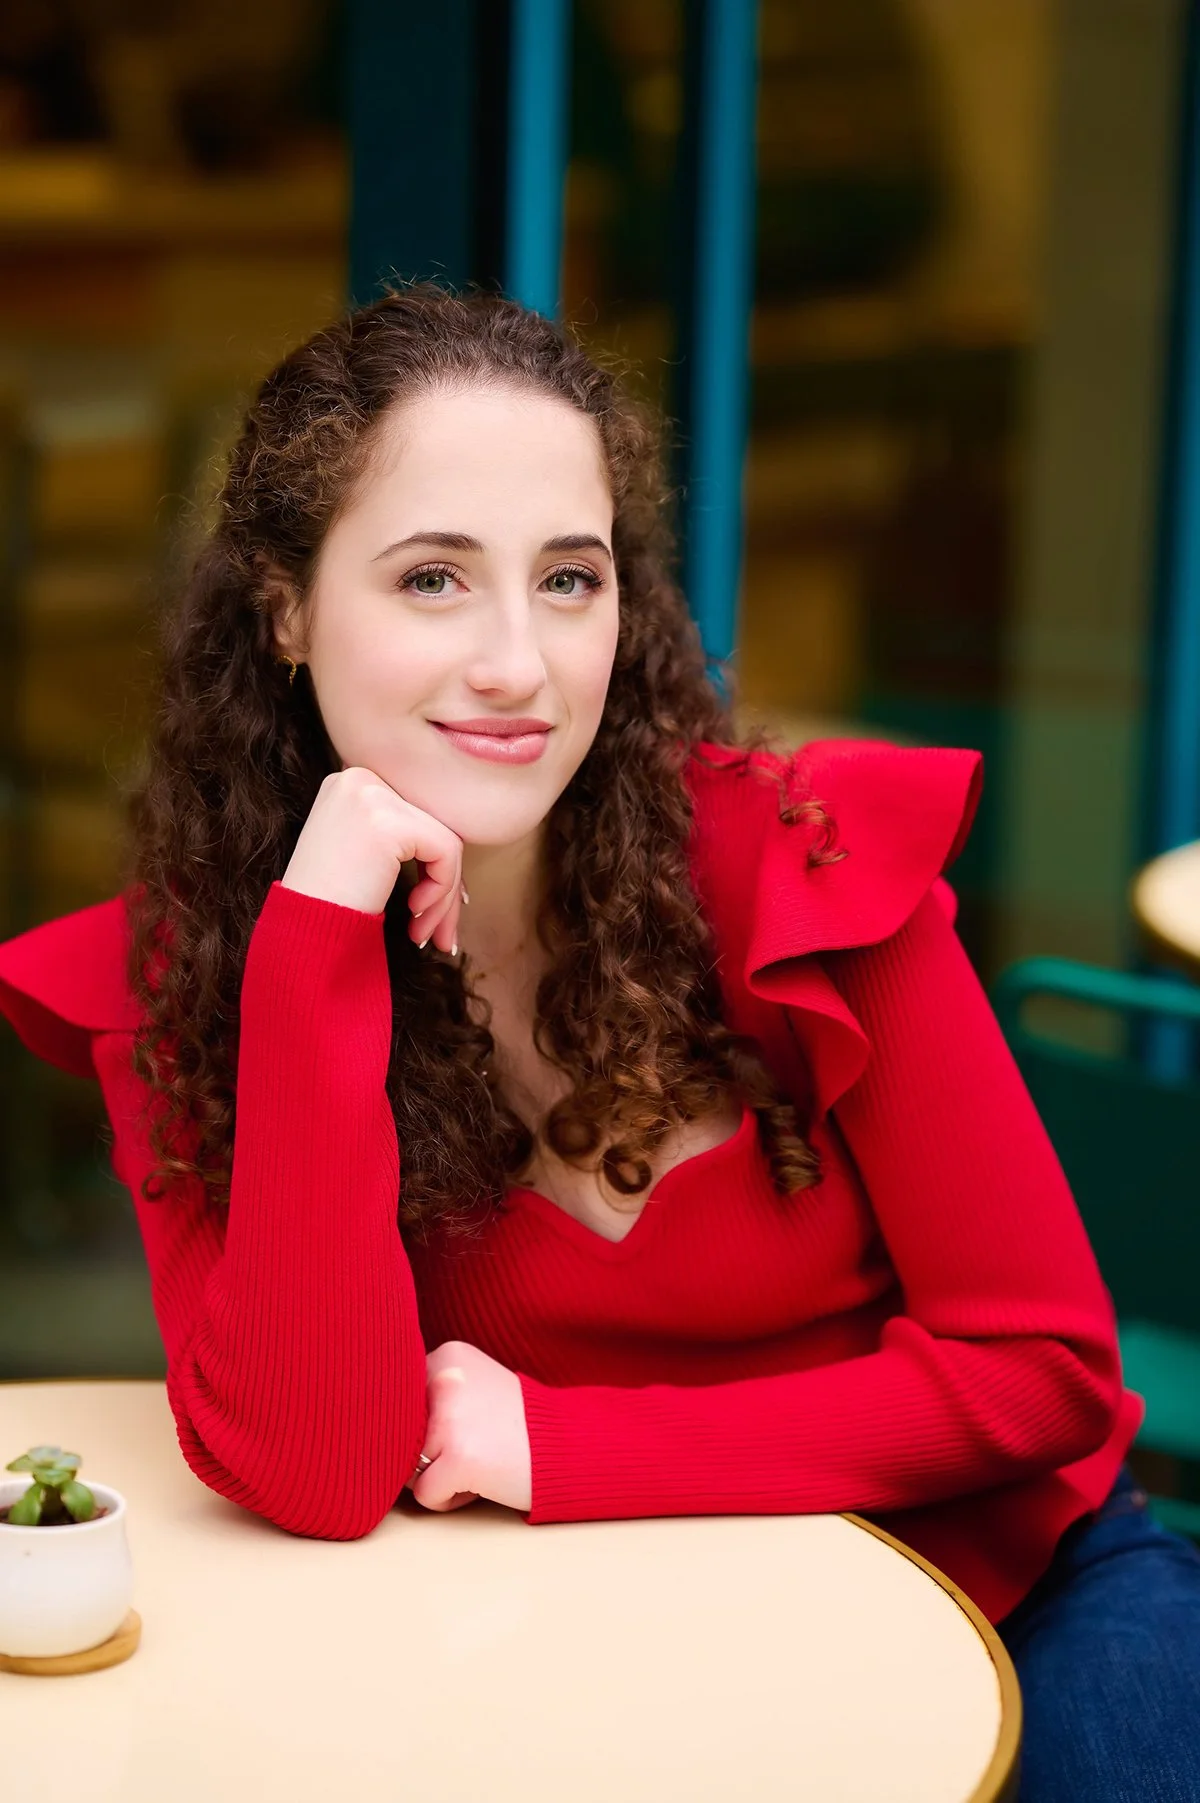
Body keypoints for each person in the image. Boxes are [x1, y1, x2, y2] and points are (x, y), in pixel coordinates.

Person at [0, 282, 1197, 1797]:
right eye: (434, 579)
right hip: (579, 1642)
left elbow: (1045, 1374)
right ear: (287, 608)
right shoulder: (185, 979)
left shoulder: (803, 866)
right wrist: (313, 947)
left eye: (569, 580)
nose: (519, 662)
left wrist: (562, 1446)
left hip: (1016, 1593)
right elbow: (314, 1468)